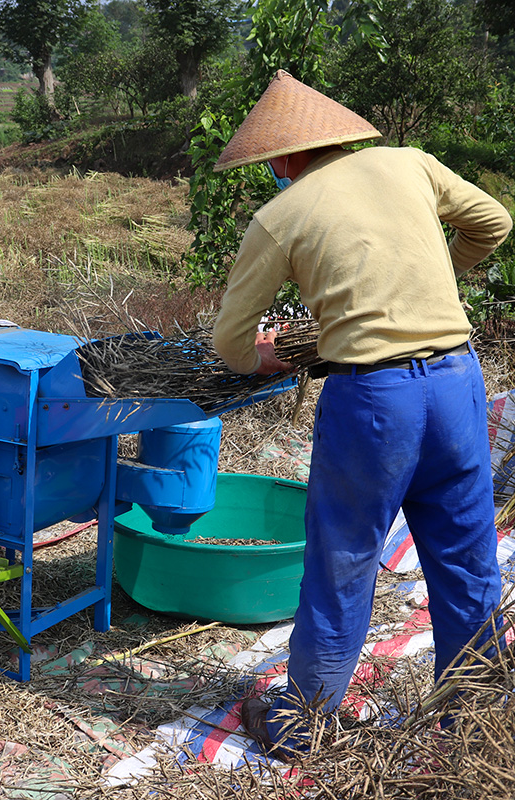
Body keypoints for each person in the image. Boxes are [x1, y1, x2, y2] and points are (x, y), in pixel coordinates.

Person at [210, 70, 513, 759]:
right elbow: (494, 221)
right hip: (459, 382)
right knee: (467, 563)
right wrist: (438, 281)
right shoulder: (408, 165)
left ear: (282, 160)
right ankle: (477, 727)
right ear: (341, 138)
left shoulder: (280, 217)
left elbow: (229, 342)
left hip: (376, 404)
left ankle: (305, 724)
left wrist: (265, 360)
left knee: (343, 560)